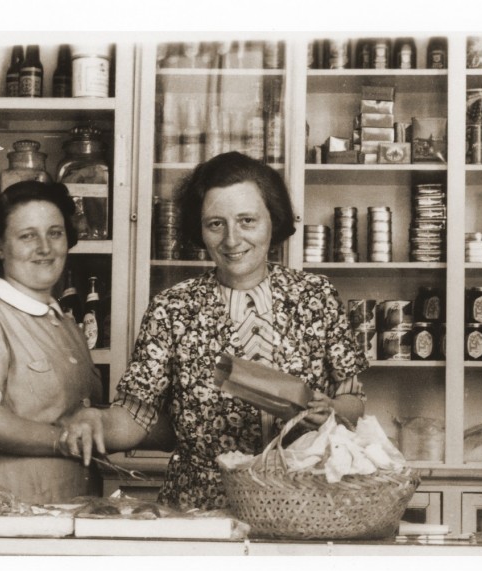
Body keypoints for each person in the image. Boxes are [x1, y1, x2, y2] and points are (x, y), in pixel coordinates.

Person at [61, 152, 369, 510]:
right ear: (200, 229)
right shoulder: (172, 308)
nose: (232, 239)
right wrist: (94, 419)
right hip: (201, 506)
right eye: (216, 224)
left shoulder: (317, 296)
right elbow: (136, 414)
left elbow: (354, 400)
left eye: (247, 221)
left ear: (273, 220)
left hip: (304, 502)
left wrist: (331, 409)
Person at [0, 181, 104, 505]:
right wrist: (63, 440)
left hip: (65, 512)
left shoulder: (64, 323)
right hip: (6, 515)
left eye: (55, 233)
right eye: (27, 235)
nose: (44, 247)